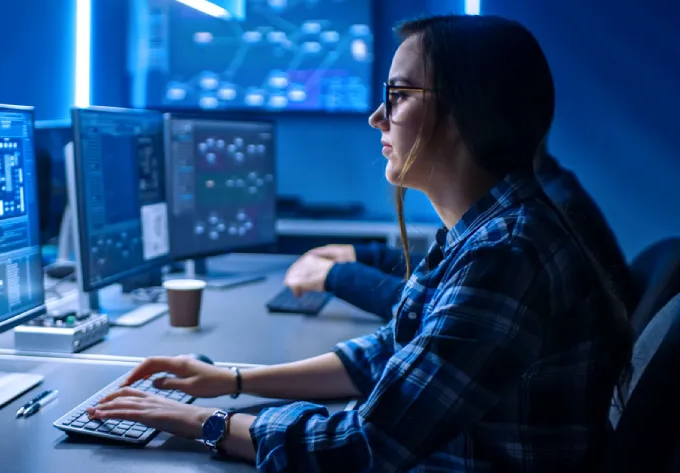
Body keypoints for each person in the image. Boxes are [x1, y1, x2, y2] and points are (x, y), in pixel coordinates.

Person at [84, 14, 635, 472]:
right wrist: (231, 379)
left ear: (468, 108)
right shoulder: (482, 232)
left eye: (397, 96)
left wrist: (198, 423)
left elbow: (361, 446)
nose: (377, 118)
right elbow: (388, 355)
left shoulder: (507, 254)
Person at [284, 139, 639, 321]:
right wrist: (365, 255)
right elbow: (451, 275)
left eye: (401, 96)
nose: (379, 118)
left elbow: (446, 306)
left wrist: (337, 277)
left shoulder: (521, 232)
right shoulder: (541, 191)